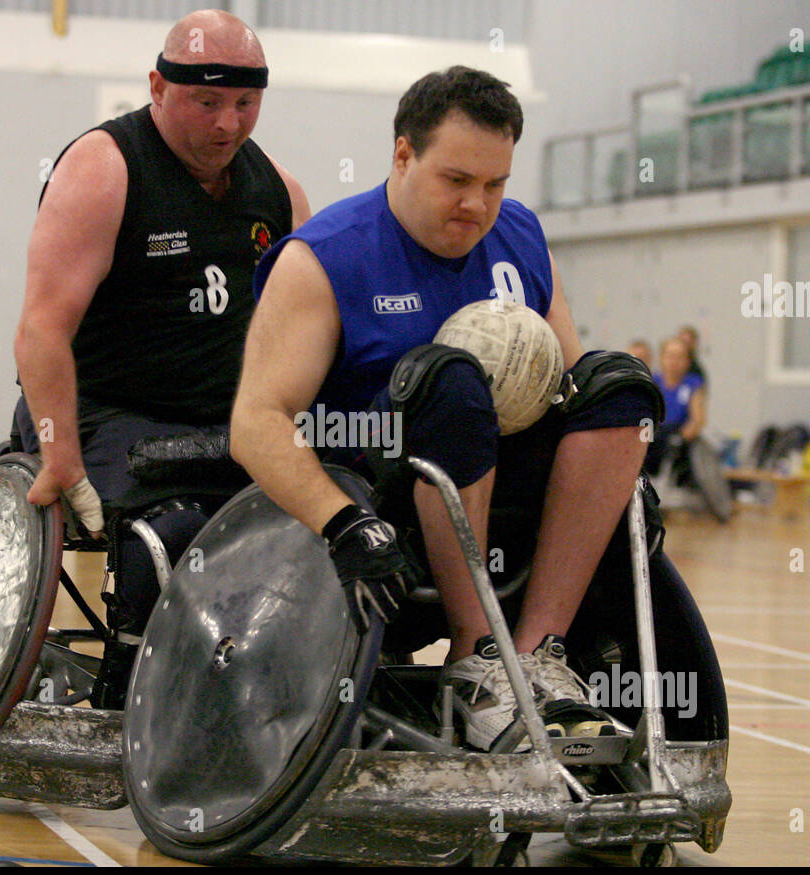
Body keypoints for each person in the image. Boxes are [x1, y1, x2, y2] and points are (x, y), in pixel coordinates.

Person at [230, 67, 663, 751]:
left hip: (508, 492)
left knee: (619, 386)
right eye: (457, 181)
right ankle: (476, 658)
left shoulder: (520, 236)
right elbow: (255, 424)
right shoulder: (325, 257)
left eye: (496, 185)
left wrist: (623, 480)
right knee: (451, 380)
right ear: (403, 155)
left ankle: (537, 654)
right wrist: (340, 523)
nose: (477, 205)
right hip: (379, 506)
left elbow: (570, 388)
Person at [11, 9, 311, 649]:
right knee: (172, 538)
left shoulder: (280, 192)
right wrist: (58, 455)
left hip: (229, 427)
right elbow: (41, 330)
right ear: (157, 87)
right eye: (206, 101)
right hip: (105, 412)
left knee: (329, 522)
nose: (227, 123)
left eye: (244, 102)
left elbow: (306, 338)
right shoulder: (104, 167)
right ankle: (141, 697)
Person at [644, 336, 707, 478]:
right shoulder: (652, 382)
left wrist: (680, 439)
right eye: (670, 356)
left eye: (679, 357)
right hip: (653, 434)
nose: (674, 361)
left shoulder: (693, 384)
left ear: (687, 361)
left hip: (677, 437)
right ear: (661, 358)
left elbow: (698, 420)